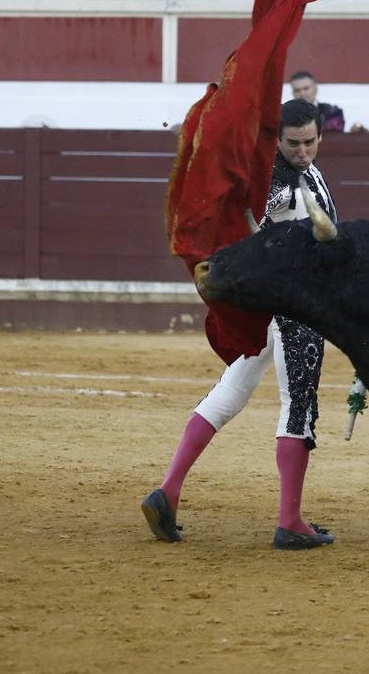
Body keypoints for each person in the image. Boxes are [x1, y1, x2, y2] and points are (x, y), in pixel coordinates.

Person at [141, 98, 339, 549]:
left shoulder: (309, 173)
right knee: (298, 405)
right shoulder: (275, 184)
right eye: (293, 144)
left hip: (272, 309)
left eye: (310, 142)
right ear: (277, 141)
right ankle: (290, 521)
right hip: (293, 310)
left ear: (319, 138)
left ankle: (167, 492)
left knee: (230, 391)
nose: (303, 151)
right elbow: (251, 214)